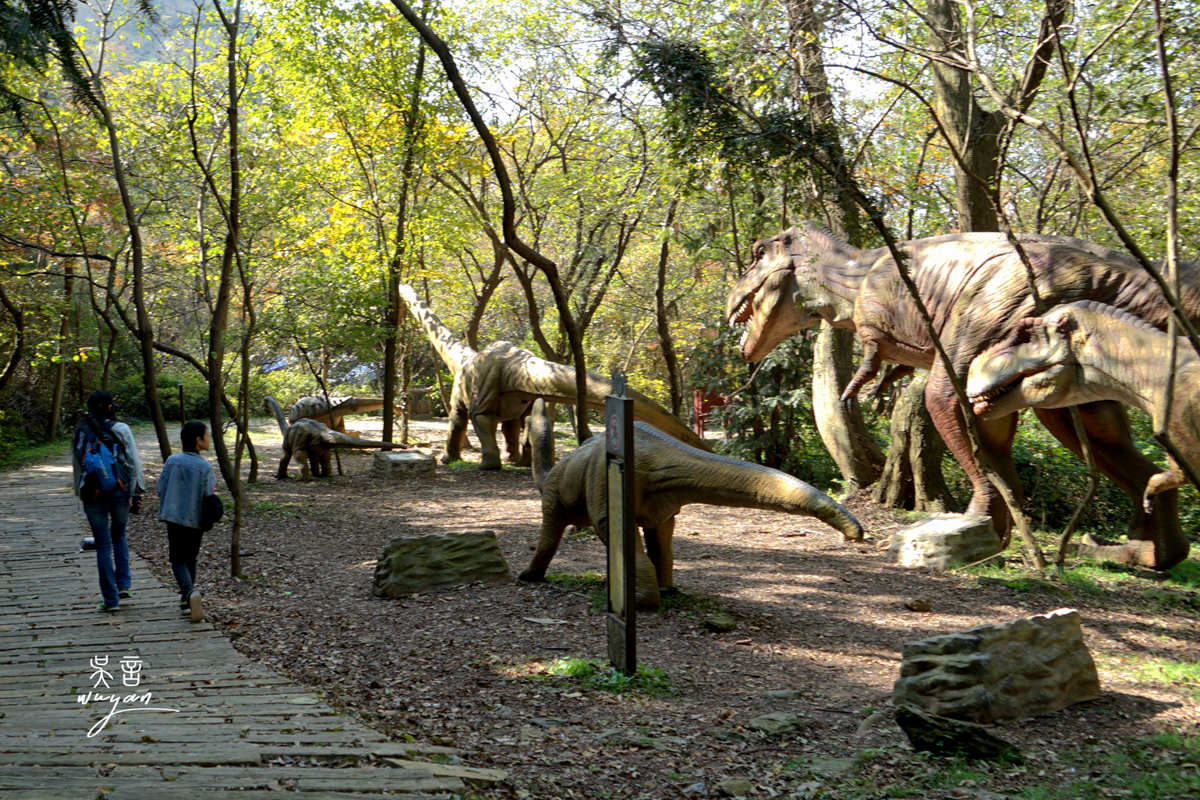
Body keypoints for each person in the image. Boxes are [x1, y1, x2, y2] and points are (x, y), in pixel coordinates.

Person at [71, 390, 145, 612]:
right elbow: (133, 462)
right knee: (119, 535)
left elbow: (77, 466)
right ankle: (123, 585)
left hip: (92, 494)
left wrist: (80, 493)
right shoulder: (121, 428)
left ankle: (110, 601)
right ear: (109, 407)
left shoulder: (80, 431)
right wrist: (136, 491)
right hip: (119, 491)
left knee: (103, 544)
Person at [157, 420, 216, 623]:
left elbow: (161, 487)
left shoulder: (171, 461)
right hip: (195, 520)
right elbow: (209, 495)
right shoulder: (205, 467)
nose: (209, 440)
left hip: (174, 517)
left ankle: (188, 595)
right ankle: (187, 598)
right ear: (198, 440)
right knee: (191, 558)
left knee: (177, 559)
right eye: (207, 436)